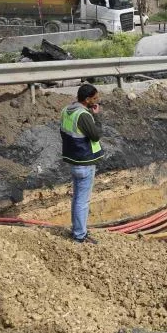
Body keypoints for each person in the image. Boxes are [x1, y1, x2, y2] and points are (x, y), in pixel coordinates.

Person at [60, 84, 104, 243]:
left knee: (77, 198)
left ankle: (77, 230)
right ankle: (79, 235)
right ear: (87, 100)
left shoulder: (66, 111)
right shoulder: (83, 115)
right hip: (84, 162)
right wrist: (96, 116)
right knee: (82, 200)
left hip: (73, 160)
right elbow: (95, 136)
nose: (97, 100)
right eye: (94, 98)